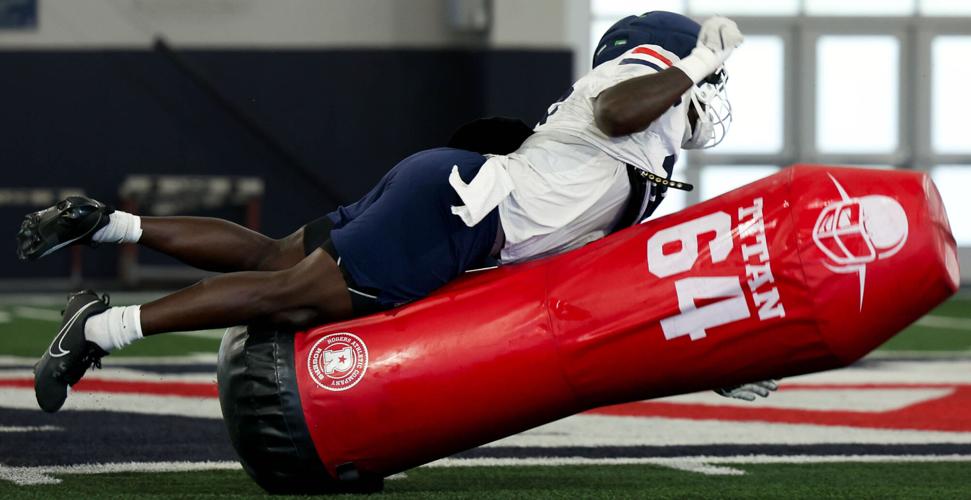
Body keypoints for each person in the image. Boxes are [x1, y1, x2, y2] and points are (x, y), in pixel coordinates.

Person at [18, 11, 773, 413]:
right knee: (290, 296)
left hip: (451, 190)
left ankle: (107, 224)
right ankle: (100, 329)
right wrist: (695, 64)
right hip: (462, 210)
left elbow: (621, 283)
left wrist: (710, 363)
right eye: (711, 77)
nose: (714, 92)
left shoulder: (647, 157)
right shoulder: (642, 85)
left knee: (272, 259)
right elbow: (615, 110)